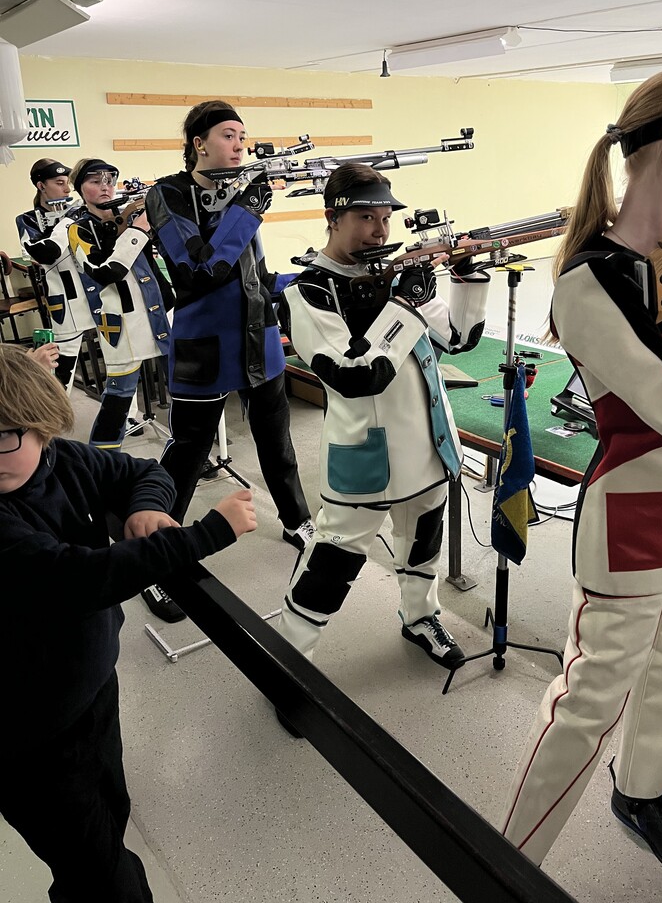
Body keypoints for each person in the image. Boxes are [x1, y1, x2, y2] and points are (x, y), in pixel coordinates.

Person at [500, 68, 662, 884]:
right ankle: (502, 871)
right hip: (640, 519)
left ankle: (640, 795)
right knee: (587, 709)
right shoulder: (592, 281)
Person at [0, 342, 257, 903]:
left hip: (91, 691)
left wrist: (145, 507)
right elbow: (80, 577)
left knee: (109, 821)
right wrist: (208, 533)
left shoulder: (63, 461)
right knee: (102, 876)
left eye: (3, 436)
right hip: (27, 738)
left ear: (42, 425)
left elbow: (143, 471)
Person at [273, 162, 489, 711]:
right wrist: (403, 306)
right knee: (333, 564)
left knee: (423, 545)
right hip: (366, 457)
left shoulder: (393, 276)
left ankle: (420, 618)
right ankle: (290, 664)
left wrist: (466, 276)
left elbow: (459, 337)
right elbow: (356, 374)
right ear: (332, 217)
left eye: (385, 218)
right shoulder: (307, 292)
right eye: (365, 217)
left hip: (429, 446)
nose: (379, 230)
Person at [145, 100, 312, 545]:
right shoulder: (167, 194)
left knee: (278, 445)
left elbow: (257, 277)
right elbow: (197, 272)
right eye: (228, 135)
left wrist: (315, 274)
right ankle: (157, 542)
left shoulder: (238, 197)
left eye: (242, 137)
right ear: (199, 144)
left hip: (261, 340)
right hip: (204, 346)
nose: (239, 146)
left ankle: (296, 520)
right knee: (188, 451)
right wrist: (248, 210)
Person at [65, 158, 171, 452]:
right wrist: (138, 230)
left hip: (163, 309)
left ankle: (190, 451)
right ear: (80, 188)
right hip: (122, 320)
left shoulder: (130, 216)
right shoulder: (78, 229)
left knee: (181, 387)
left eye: (109, 180)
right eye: (95, 181)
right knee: (119, 395)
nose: (105, 187)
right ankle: (103, 459)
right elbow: (104, 272)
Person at [15, 158, 94, 392]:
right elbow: (46, 253)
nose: (67, 189)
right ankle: (52, 411)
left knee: (119, 366)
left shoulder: (83, 212)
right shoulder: (28, 220)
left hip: (100, 295)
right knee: (60, 372)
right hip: (66, 302)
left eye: (67, 183)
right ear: (41, 186)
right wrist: (68, 222)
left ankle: (127, 413)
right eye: (59, 183)